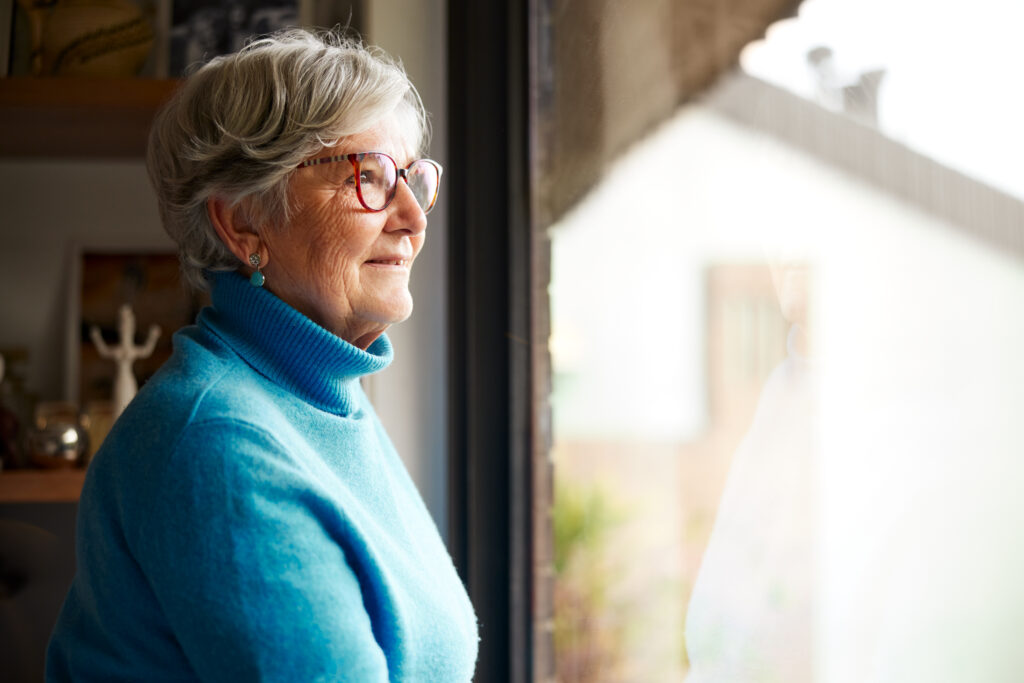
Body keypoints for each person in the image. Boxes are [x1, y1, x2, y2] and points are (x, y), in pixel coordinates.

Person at [46, 29, 478, 682]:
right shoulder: (216, 440)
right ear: (243, 220)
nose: (413, 217)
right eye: (369, 177)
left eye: (413, 177)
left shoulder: (322, 400)